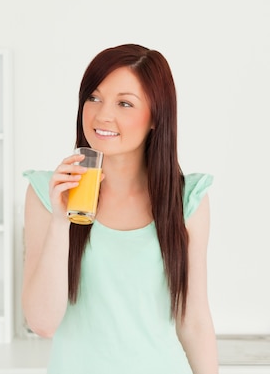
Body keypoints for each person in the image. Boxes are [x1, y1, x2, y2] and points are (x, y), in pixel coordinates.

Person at [22, 44, 218, 374]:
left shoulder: (186, 200)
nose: (102, 115)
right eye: (94, 97)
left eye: (124, 103)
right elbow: (42, 323)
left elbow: (194, 321)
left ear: (156, 117)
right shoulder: (47, 192)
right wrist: (60, 221)